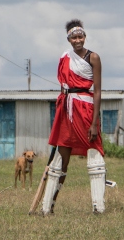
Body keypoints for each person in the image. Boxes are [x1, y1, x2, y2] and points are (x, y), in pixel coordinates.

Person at [41, 19, 106, 215]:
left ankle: (98, 207)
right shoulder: (65, 57)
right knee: (60, 160)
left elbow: (98, 91)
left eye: (80, 36)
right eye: (73, 37)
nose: (77, 40)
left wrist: (94, 123)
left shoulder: (93, 57)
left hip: (85, 108)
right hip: (66, 109)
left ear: (85, 37)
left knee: (94, 154)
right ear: (68, 39)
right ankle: (47, 207)